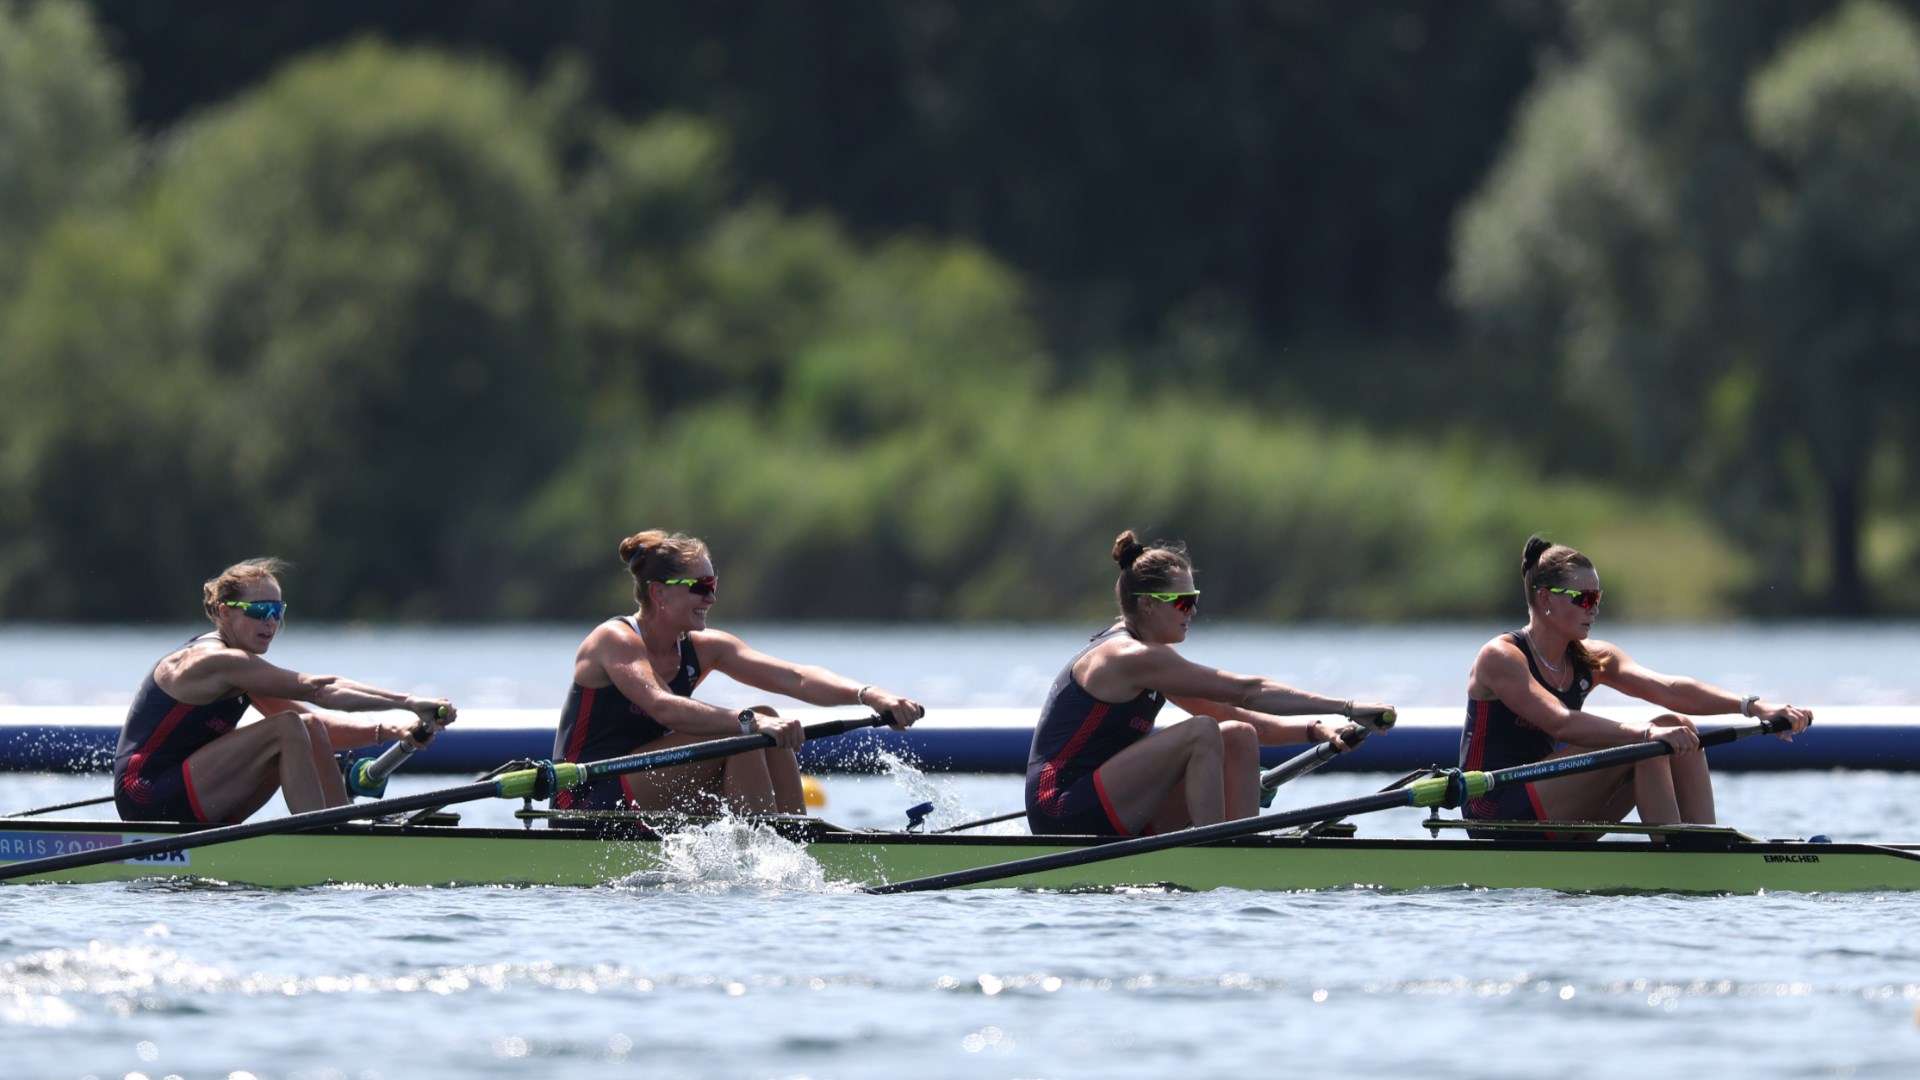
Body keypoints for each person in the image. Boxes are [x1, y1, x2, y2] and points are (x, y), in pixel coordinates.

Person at [1024, 530, 1394, 837]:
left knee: (1238, 734)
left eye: (1194, 600)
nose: (1193, 612)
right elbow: (1248, 690)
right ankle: (1216, 852)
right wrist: (1347, 707)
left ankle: (1241, 847)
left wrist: (1318, 730)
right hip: (1060, 806)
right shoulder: (1129, 657)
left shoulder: (1153, 658)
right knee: (1201, 732)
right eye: (1183, 602)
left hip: (1107, 800)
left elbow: (1237, 713)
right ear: (1150, 604)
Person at [553, 529, 924, 815]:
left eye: (713, 586)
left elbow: (794, 677)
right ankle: (764, 853)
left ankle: (796, 840)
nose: (711, 599)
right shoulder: (614, 640)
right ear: (660, 594)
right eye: (700, 587)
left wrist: (870, 695)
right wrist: (748, 723)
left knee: (766, 719)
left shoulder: (704, 648)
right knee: (748, 730)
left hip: (644, 786)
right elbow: (662, 706)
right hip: (587, 797)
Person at [1461, 535, 1813, 832]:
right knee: (1649, 740)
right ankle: (1678, 856)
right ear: (1544, 599)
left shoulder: (1592, 657)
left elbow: (1670, 690)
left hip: (1553, 802)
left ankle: (1703, 844)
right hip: (1495, 809)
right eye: (1583, 598)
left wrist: (1753, 706)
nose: (1593, 609)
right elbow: (1560, 722)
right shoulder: (1501, 657)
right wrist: (1645, 735)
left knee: (1677, 726)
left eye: (1597, 598)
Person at [114, 558, 456, 824]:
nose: (270, 623)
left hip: (189, 790)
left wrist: (391, 731)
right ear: (223, 612)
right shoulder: (214, 661)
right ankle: (323, 836)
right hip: (146, 794)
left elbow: (316, 726)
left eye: (278, 612)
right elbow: (320, 690)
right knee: (288, 727)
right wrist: (409, 702)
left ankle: (340, 825)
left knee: (304, 728)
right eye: (260, 611)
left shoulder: (242, 670)